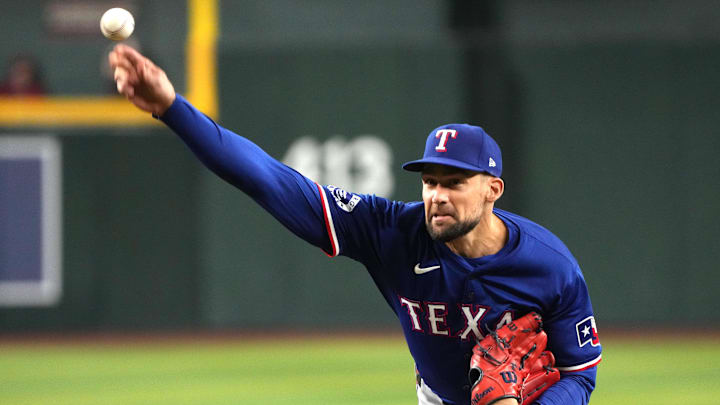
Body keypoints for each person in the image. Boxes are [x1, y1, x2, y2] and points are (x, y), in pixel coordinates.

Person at [109, 44, 601, 405]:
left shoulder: (550, 267)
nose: (436, 195)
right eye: (429, 181)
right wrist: (172, 108)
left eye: (454, 182)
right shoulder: (392, 232)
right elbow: (268, 180)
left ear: (493, 189)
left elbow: (580, 375)